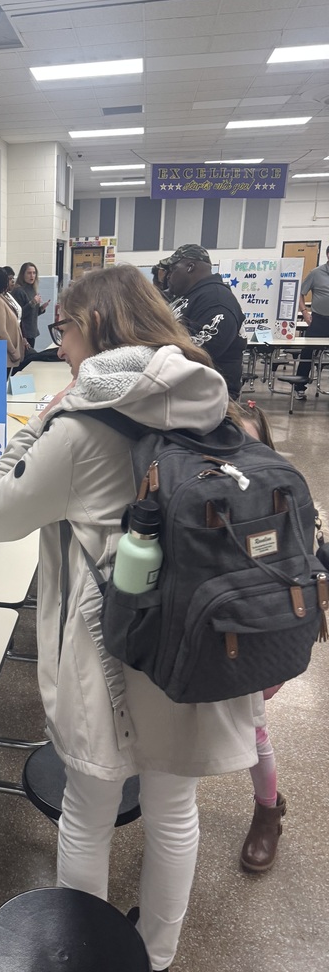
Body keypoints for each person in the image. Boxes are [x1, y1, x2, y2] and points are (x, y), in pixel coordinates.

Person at [0, 265, 257, 972]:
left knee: (88, 810)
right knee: (172, 810)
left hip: (112, 652)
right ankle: (156, 957)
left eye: (64, 327)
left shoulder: (80, 429)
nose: (58, 341)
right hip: (192, 637)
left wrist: (43, 420)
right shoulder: (206, 396)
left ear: (95, 327)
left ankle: (85, 955)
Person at [230, 400, 287, 872]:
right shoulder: (202, 491)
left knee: (254, 731)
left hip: (261, 636)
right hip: (219, 632)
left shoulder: (282, 496)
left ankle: (268, 810)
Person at [165, 243, 246, 399]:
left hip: (210, 398)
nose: (169, 276)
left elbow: (202, 352)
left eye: (173, 269)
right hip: (190, 393)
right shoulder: (190, 296)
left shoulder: (216, 300)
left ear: (190, 267)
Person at [293, 246, 329, 400]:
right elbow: (301, 293)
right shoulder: (316, 273)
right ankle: (299, 387)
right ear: (328, 255)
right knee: (307, 352)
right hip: (319, 320)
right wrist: (305, 313)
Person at [12, 261, 51, 348]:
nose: (32, 276)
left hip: (31, 331)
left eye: (34, 273)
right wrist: (32, 302)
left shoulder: (32, 289)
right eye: (29, 273)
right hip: (23, 333)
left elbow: (32, 313)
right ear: (23, 275)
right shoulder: (18, 291)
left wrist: (41, 309)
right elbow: (18, 314)